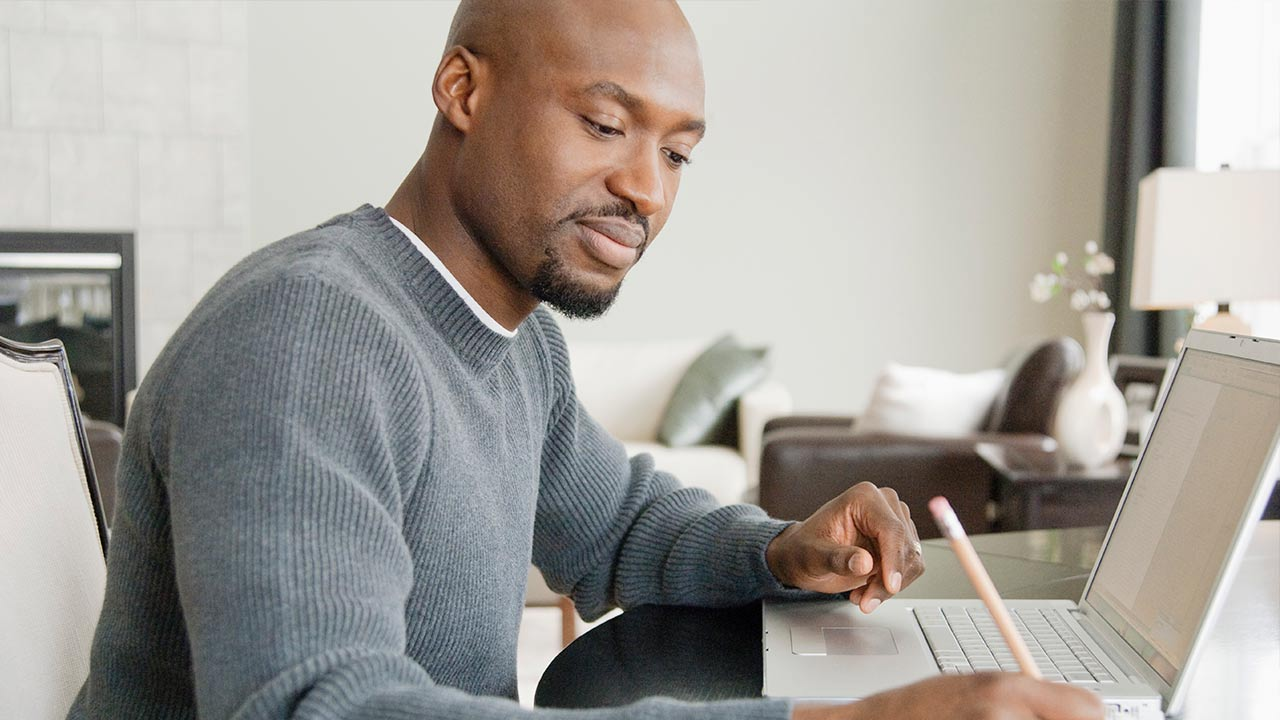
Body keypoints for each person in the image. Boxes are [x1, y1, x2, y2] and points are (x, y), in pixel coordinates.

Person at [70, 1, 1103, 719]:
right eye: (606, 124)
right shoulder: (306, 338)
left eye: (677, 153)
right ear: (462, 91)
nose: (647, 189)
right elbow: (310, 709)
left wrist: (783, 550)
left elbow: (617, 526)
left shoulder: (516, 347)